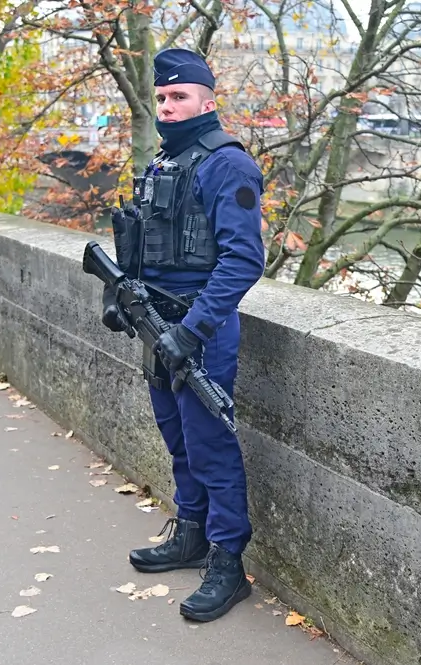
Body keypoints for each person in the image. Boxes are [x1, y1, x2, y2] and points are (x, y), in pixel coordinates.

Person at [100, 47, 266, 623]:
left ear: (207, 101)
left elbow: (243, 261)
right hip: (157, 323)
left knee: (211, 446)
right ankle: (191, 533)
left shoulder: (228, 165)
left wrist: (192, 332)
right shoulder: (164, 163)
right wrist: (120, 301)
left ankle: (228, 562)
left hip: (202, 329)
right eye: (163, 98)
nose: (168, 107)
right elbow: (139, 247)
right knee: (177, 440)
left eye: (180, 97)